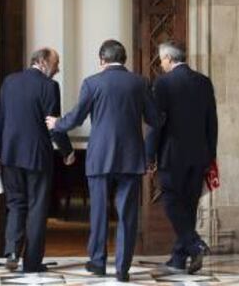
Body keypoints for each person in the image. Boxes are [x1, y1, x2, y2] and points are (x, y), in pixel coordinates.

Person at [46, 39, 159, 282]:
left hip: (100, 157)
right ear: (124, 58)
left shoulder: (92, 83)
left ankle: (97, 263)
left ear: (101, 60)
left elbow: (77, 117)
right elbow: (154, 119)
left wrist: (57, 123)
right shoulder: (140, 83)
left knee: (97, 211)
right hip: (130, 158)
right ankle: (122, 269)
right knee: (128, 214)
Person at [0, 48, 75, 273]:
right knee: (37, 208)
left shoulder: (9, 82)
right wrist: (67, 151)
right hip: (37, 156)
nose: (58, 69)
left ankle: (11, 251)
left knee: (16, 204)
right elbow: (53, 124)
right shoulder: (49, 87)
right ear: (42, 61)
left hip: (10, 154)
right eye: (56, 63)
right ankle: (32, 262)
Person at [146, 41, 218, 274]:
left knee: (170, 201)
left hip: (171, 154)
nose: (161, 63)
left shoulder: (163, 83)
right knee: (188, 205)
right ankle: (178, 257)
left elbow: (157, 124)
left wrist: (149, 155)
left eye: (161, 59)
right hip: (200, 155)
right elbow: (212, 123)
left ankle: (194, 243)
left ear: (168, 58)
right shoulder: (203, 81)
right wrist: (211, 156)